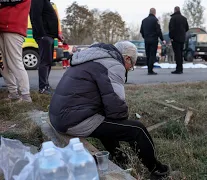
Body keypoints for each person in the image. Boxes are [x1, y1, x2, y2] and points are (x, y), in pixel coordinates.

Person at [49, 41, 170, 180]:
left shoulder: (91, 58)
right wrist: (125, 122)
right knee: (137, 130)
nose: (129, 70)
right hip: (72, 121)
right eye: (131, 67)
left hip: (58, 116)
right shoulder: (114, 65)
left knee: (106, 120)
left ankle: (119, 157)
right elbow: (116, 109)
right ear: (127, 59)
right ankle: (158, 170)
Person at [0, 0, 32, 102]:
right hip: (2, 27)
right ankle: (13, 93)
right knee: (2, 64)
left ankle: (25, 95)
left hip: (13, 27)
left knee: (14, 62)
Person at [30, 0, 62, 94]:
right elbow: (35, 16)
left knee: (48, 62)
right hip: (45, 36)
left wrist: (56, 34)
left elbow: (48, 17)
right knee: (45, 62)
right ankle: (43, 88)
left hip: (50, 35)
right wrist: (42, 35)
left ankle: (46, 85)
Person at [140, 8, 165, 75]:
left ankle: (149, 69)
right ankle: (150, 70)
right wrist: (162, 39)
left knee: (148, 55)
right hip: (153, 40)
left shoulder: (144, 20)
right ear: (154, 13)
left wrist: (145, 37)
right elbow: (158, 31)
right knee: (152, 55)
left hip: (146, 40)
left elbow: (141, 31)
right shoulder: (155, 20)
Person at [169, 6, 189, 74]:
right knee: (180, 54)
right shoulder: (184, 19)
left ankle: (178, 69)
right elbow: (187, 28)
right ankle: (181, 68)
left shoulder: (173, 18)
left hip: (175, 39)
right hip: (182, 39)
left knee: (177, 54)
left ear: (174, 10)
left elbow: (171, 29)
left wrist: (171, 37)